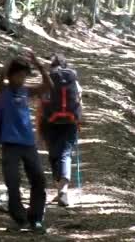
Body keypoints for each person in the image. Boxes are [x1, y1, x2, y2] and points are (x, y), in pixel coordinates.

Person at [0, 51, 52, 233]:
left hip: (28, 144)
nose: (22, 79)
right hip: (10, 145)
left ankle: (36, 218)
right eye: (19, 75)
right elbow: (0, 78)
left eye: (24, 76)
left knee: (38, 180)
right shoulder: (4, 91)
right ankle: (19, 218)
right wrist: (9, 61)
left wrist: (39, 65)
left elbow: (48, 86)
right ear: (11, 75)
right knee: (12, 181)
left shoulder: (26, 91)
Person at [39, 53, 82, 207]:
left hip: (50, 121)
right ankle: (62, 191)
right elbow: (79, 98)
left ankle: (61, 190)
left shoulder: (49, 78)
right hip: (70, 121)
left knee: (54, 154)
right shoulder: (72, 80)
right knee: (65, 153)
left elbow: (42, 101)